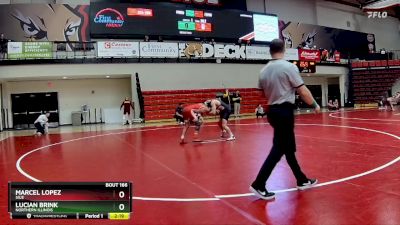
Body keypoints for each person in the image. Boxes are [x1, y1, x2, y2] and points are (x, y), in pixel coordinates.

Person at [250, 39, 320, 200]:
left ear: (270, 51)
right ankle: (258, 183)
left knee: (288, 148)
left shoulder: (263, 71)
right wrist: (315, 104)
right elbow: (302, 91)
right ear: (284, 49)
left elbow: (261, 93)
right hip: (284, 112)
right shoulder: (289, 67)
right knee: (279, 149)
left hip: (272, 111)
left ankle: (301, 180)